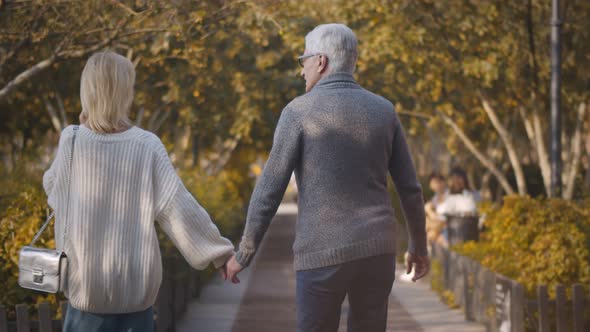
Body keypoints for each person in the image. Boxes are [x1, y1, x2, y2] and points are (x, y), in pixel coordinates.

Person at [223, 24, 429, 332]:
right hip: (377, 249)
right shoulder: (385, 110)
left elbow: (270, 188)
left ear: (321, 61)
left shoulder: (298, 112)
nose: (301, 70)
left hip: (320, 252)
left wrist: (244, 253)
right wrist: (419, 246)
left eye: (303, 60)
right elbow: (410, 189)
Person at [42, 51, 234, 332]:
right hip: (136, 307)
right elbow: (177, 207)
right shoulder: (147, 145)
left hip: (85, 306)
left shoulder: (71, 140)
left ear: (88, 90)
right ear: (124, 92)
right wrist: (220, 254)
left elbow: (53, 190)